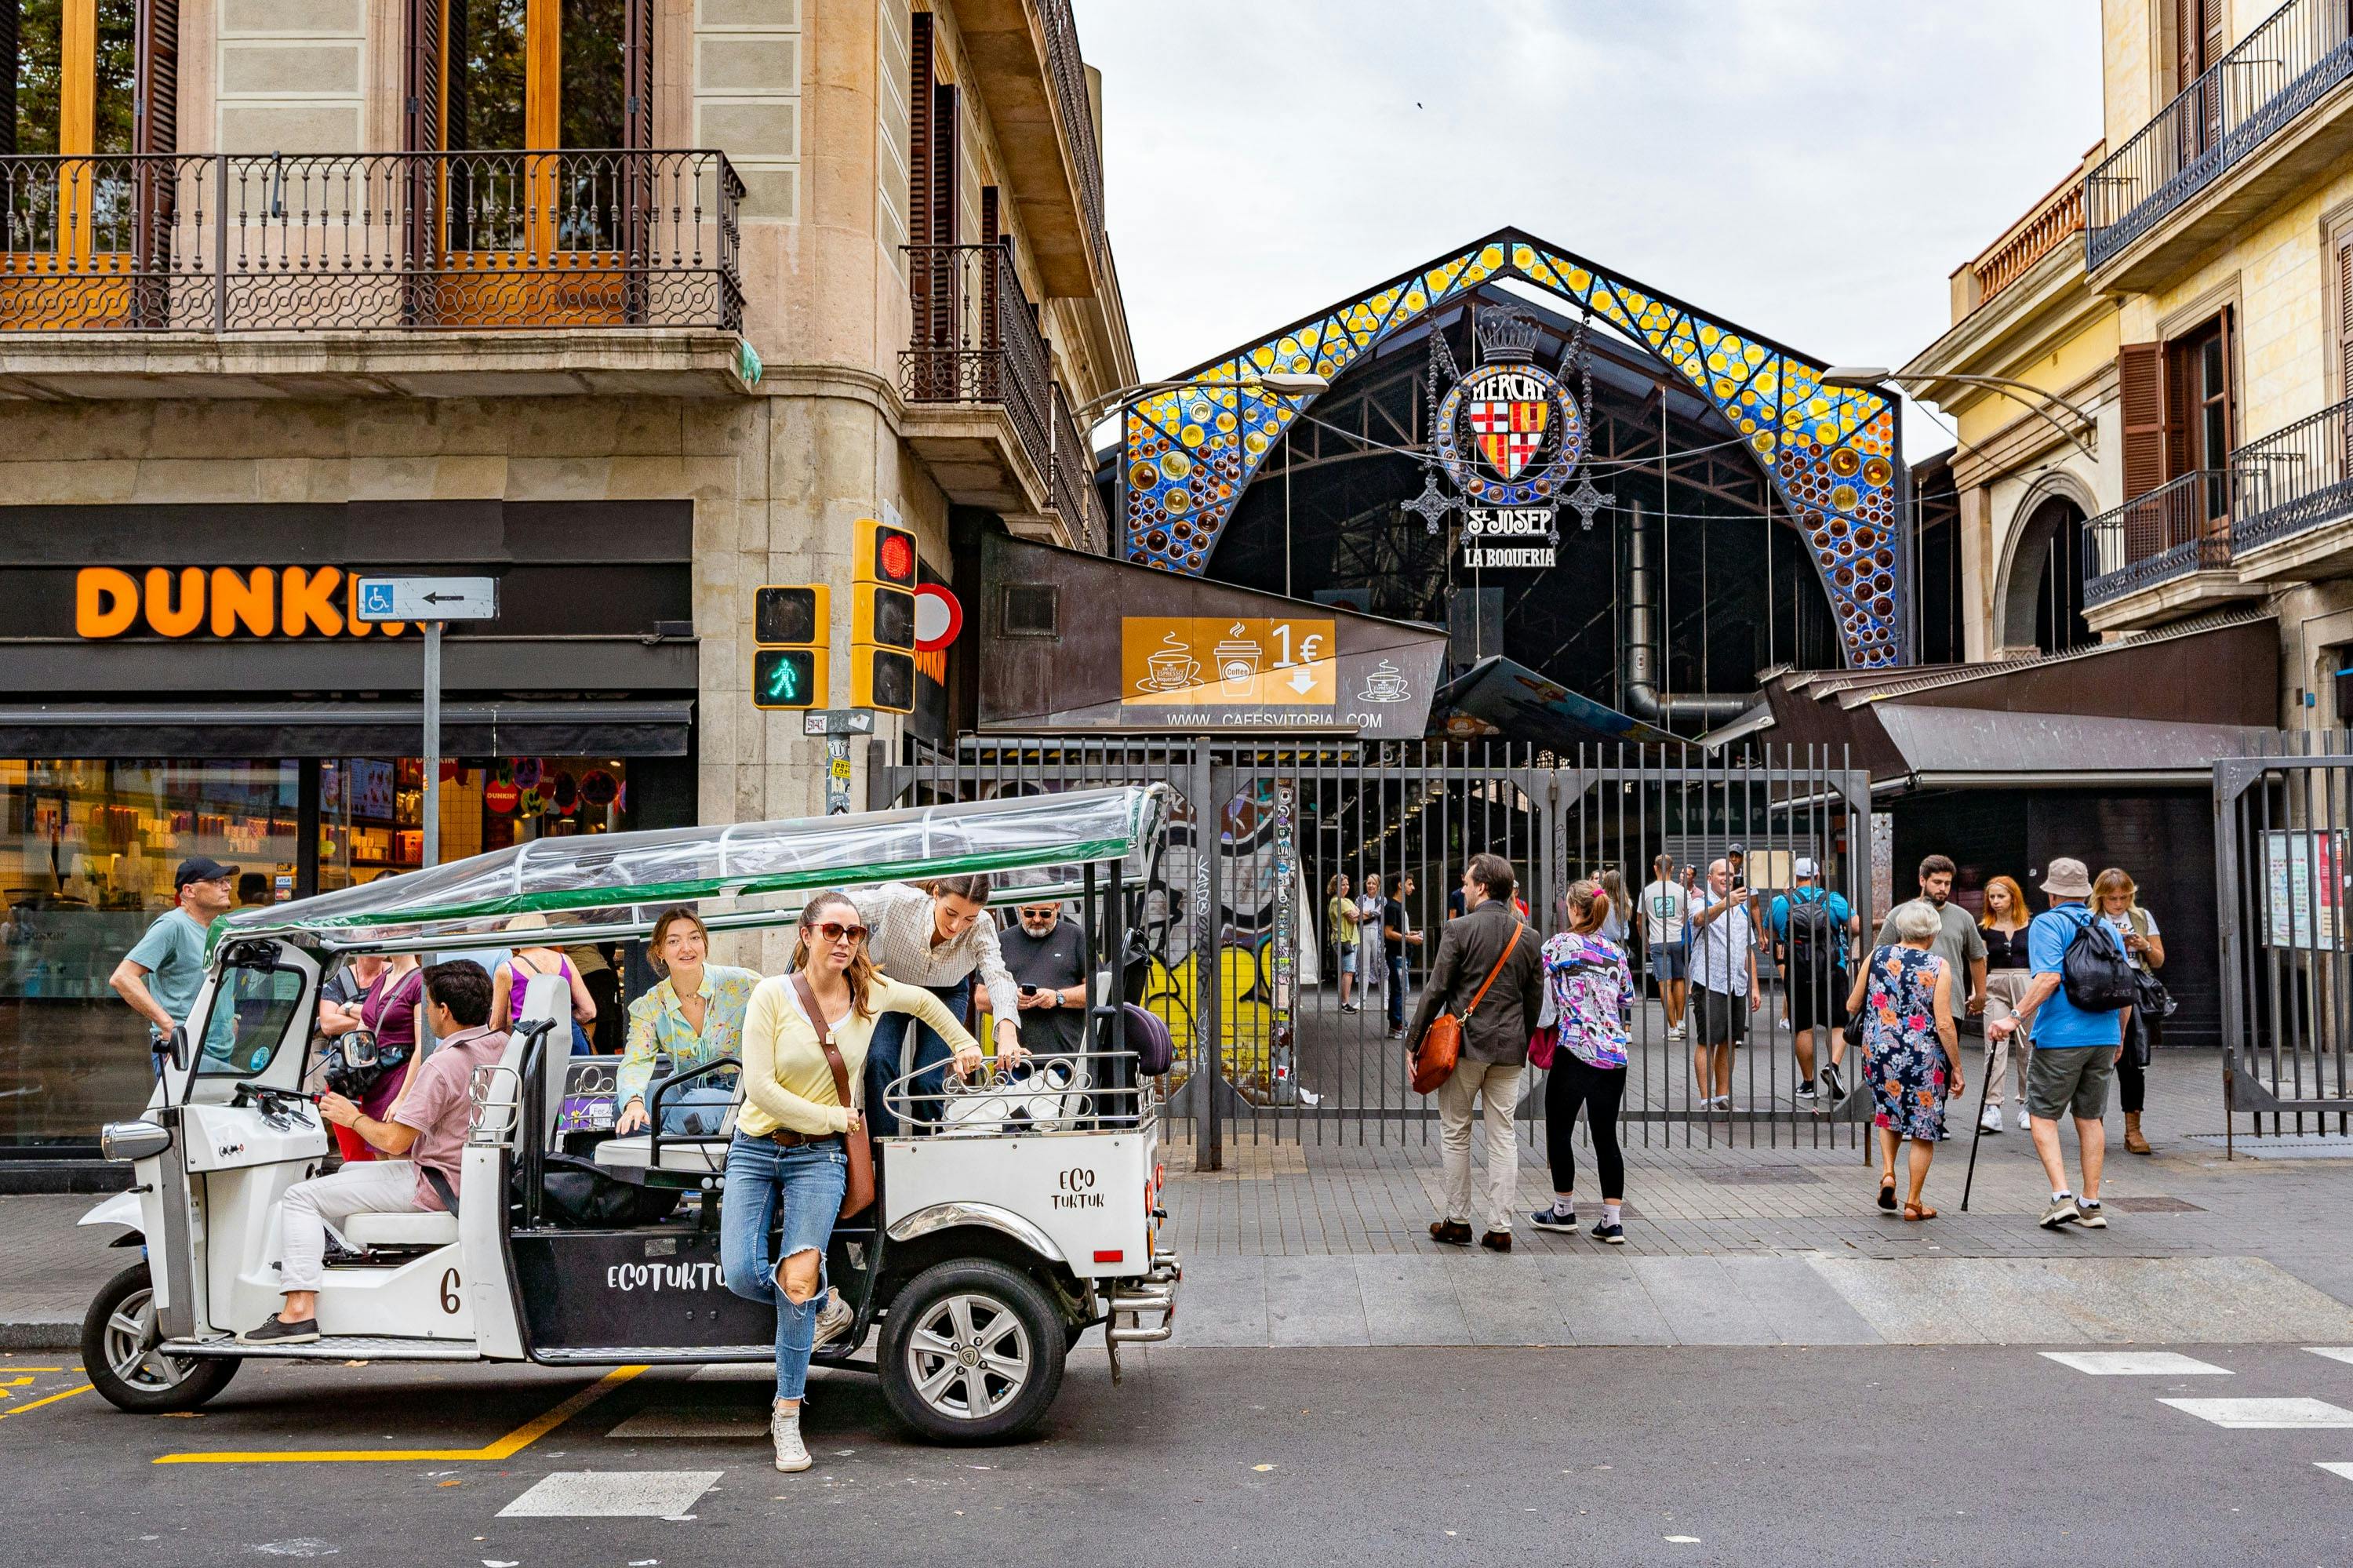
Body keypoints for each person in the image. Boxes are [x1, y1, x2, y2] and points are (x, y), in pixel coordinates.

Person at [722, 890, 982, 1474]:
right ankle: (823, 1301)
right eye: (834, 930)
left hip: (821, 1159)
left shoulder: (871, 993)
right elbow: (761, 1088)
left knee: (794, 1278)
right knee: (742, 1271)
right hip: (758, 1147)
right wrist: (834, 1118)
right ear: (806, 932)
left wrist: (965, 1042)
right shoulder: (772, 994)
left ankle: (787, 1415)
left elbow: (929, 1003)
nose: (845, 941)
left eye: (856, 933)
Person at [239, 962, 511, 1344]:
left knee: (299, 1197)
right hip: (463, 1177)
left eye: (429, 1004)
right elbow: (502, 1013)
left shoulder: (444, 1064)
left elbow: (395, 1143)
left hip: (436, 1186)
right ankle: (333, 1266)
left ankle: (298, 1309)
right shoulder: (500, 1045)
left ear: (444, 1011)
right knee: (347, 1174)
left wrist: (352, 1118)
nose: (429, 1011)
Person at [1411, 853, 1544, 1252]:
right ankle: (1501, 1227)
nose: (1464, 888)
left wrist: (1413, 1041)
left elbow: (1435, 990)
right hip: (1508, 1052)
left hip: (1463, 1049)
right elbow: (1533, 999)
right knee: (1503, 1134)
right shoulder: (1529, 937)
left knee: (1456, 1132)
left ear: (1483, 886)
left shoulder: (1458, 929)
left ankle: (1458, 1220)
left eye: (1468, 882)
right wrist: (1519, 1036)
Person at [1985, 857, 2126, 1231]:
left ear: (2051, 895)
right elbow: (2125, 988)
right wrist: (2119, 1037)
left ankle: (2061, 1196)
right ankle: (2091, 1203)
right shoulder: (2106, 927)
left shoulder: (2047, 923)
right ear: (2084, 895)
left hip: (2061, 1037)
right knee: (2090, 1118)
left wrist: (2012, 1017)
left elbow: (2048, 979)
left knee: (2042, 1115)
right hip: (2104, 1034)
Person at [853, 875, 1026, 1135]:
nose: (957, 926)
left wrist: (1008, 1031)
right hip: (890, 985)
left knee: (927, 1078)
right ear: (935, 893)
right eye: (951, 913)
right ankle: (884, 1155)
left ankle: (926, 1150)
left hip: (947, 991)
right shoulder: (897, 900)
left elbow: (997, 976)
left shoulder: (982, 925)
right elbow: (842, 906)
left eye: (969, 918)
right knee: (879, 1063)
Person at [1532, 878, 1633, 1244]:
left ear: (1573, 909)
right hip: (1614, 1054)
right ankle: (1612, 1219)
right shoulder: (1615, 952)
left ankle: (1563, 1210)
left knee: (1560, 1128)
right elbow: (1627, 999)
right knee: (1606, 1135)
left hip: (1575, 1049)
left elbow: (1540, 991)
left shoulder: (1559, 945)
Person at [1846, 900, 1960, 1221]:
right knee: (1923, 1127)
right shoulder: (1938, 966)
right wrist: (1957, 1067)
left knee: (1888, 1113)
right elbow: (1944, 1023)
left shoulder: (1878, 956)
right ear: (1933, 934)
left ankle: (1887, 1174)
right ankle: (1913, 1202)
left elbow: (1852, 1003)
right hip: (1922, 1055)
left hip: (1880, 1050)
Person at [613, 907, 760, 1137]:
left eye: (695, 938)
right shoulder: (650, 1004)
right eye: (674, 941)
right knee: (628, 1108)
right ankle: (640, 1167)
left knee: (691, 1109)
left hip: (738, 1087)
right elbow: (636, 1060)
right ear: (660, 950)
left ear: (705, 944)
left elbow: (785, 1008)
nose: (687, 948)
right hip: (685, 1084)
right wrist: (634, 1102)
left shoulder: (743, 984)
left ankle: (664, 1167)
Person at [108, 855, 237, 1066]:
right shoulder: (173, 926)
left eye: (227, 881)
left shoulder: (220, 929)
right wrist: (167, 1026)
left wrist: (233, 1019)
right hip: (183, 1050)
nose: (227, 887)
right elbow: (123, 978)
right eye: (217, 882)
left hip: (221, 1049)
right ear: (189, 891)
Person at [1769, 857, 1859, 1107]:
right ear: (1818, 876)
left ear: (1795, 878)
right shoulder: (1834, 900)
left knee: (1803, 1028)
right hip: (1832, 969)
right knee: (1838, 1023)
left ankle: (1808, 1084)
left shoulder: (1780, 902)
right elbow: (1856, 926)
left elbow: (1773, 934)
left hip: (1797, 972)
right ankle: (1833, 1066)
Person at [1875, 854, 1986, 1046]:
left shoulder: (1963, 918)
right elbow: (1879, 957)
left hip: (1950, 1005)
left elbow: (1977, 956)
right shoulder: (1899, 914)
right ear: (1922, 880)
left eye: (1947, 883)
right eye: (1937, 882)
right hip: (1906, 1005)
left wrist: (1981, 995)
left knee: (1946, 1068)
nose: (1943, 889)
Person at [2092, 868, 2165, 1156]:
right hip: (2101, 988)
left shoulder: (2141, 917)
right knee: (2098, 1061)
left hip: (2133, 989)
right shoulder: (2091, 919)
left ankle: (2133, 1130)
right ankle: (2093, 1126)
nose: (2118, 904)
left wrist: (2144, 945)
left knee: (2133, 1062)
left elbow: (2158, 960)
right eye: (2112, 899)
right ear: (2101, 898)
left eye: (2124, 897)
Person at [1685, 858, 1761, 1111]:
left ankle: (1722, 1096)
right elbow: (1697, 920)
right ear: (1709, 878)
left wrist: (1754, 987)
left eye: (1731, 874)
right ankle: (1706, 1099)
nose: (1727, 878)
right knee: (1708, 1040)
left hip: (1736, 983)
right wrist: (1724, 904)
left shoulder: (1741, 909)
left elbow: (1748, 949)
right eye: (1721, 874)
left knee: (1729, 1041)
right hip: (1709, 981)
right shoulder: (1701, 901)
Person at [339, 953, 425, 1164]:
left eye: (391, 933)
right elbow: (366, 1024)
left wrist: (403, 1098)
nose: (385, 937)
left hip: (400, 1078)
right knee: (380, 1158)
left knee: (398, 1157)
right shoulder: (383, 978)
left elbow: (423, 1045)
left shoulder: (419, 981)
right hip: (375, 1080)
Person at [982, 898, 1089, 1057]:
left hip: (1066, 1057)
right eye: (1029, 913)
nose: (1037, 919)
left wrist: (1058, 997)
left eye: (1045, 914)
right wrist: (1010, 1000)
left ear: (1057, 906)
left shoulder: (1076, 936)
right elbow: (980, 998)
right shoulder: (1002, 941)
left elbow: (1095, 990)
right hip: (1013, 1058)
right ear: (1020, 908)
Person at [490, 913, 599, 1055]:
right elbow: (589, 1011)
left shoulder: (506, 970)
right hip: (569, 1041)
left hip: (529, 1045)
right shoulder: (565, 960)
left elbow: (497, 1025)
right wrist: (561, 1020)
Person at [1977, 875, 2034, 1134]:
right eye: (1992, 897)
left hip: (2026, 984)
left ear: (2014, 897)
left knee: (2027, 1046)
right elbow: (1979, 962)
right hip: (1995, 985)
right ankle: (1993, 1107)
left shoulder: (2030, 926)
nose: (1996, 901)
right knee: (1995, 1045)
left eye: (2001, 896)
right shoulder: (1985, 927)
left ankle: (2027, 1104)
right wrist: (1976, 993)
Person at [1639, 853, 1690, 1040]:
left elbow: (1639, 920)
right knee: (1679, 979)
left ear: (1655, 868)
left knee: (1664, 983)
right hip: (1678, 940)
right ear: (1673, 869)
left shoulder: (1647, 892)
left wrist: (1645, 938)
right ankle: (1681, 1022)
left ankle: (1673, 1028)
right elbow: (1688, 916)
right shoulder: (1681, 891)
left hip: (1658, 941)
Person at [1383, 872, 1423, 1040]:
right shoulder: (1392, 907)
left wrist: (1411, 934)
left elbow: (1398, 931)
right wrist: (1411, 938)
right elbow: (1388, 933)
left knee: (1400, 990)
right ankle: (1397, 1025)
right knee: (1400, 990)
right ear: (1400, 885)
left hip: (1402, 954)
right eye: (1410, 884)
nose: (1412, 887)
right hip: (1397, 954)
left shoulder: (1398, 906)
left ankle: (1397, 1024)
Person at [1325, 872, 1362, 1012]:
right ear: (1335, 887)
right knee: (1349, 971)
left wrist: (1357, 914)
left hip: (1353, 939)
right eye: (1343, 884)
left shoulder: (1347, 901)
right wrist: (1357, 913)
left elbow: (1358, 916)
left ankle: (1345, 1002)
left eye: (1347, 884)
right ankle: (1344, 1004)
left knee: (1350, 972)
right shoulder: (1336, 901)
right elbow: (1354, 918)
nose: (1346, 887)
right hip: (1344, 940)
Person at [1356, 877, 1386, 1002]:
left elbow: (1377, 912)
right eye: (1369, 883)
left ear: (1378, 885)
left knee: (1382, 967)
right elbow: (1356, 916)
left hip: (1377, 934)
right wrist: (1366, 914)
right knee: (1364, 968)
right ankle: (1361, 1000)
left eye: (1374, 883)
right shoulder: (1360, 899)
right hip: (1363, 933)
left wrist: (1364, 913)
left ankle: (1385, 1000)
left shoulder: (1382, 900)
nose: (1371, 886)